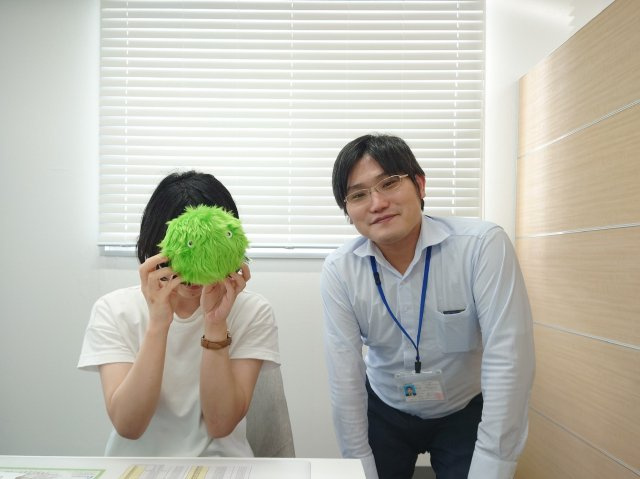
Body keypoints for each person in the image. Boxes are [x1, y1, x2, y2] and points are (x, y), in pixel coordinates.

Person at [321, 134, 535, 479]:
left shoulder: (481, 246)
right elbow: (344, 375)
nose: (377, 203)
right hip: (385, 408)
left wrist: (493, 464)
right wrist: (358, 464)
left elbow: (508, 357)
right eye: (358, 195)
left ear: (419, 184)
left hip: (463, 406)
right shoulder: (340, 270)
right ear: (348, 211)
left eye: (389, 183)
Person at [78, 170, 280, 457]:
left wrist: (215, 323)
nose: (190, 272)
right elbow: (128, 425)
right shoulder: (114, 310)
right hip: (134, 467)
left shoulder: (252, 311)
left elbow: (220, 424)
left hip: (221, 466)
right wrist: (158, 324)